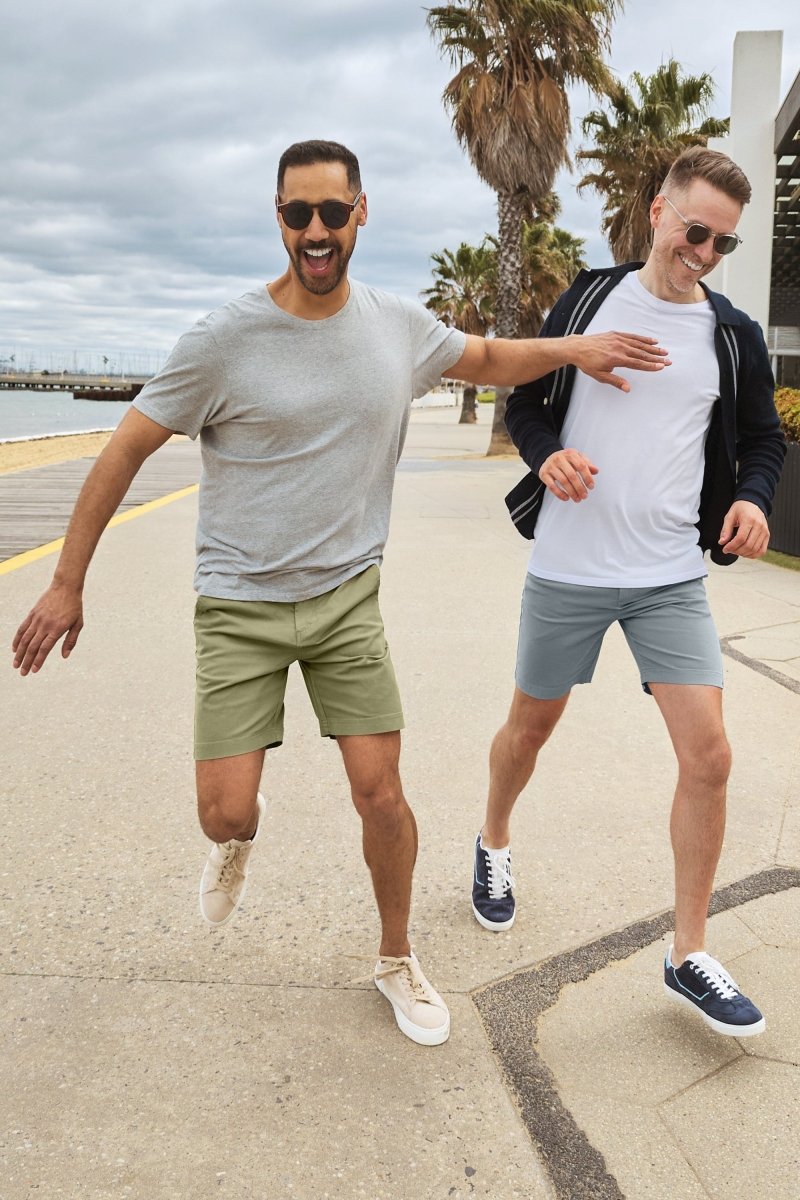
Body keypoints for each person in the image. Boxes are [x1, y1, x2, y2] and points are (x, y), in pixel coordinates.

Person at [12, 139, 668, 1048]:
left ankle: (396, 957)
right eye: (297, 214)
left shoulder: (397, 327)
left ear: (362, 213)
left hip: (346, 601)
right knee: (225, 809)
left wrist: (578, 348)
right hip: (239, 604)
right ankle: (240, 833)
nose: (315, 232)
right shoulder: (222, 339)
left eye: (331, 212)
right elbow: (123, 449)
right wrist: (66, 583)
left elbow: (489, 356)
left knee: (381, 792)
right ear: (277, 220)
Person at [471, 146, 786, 1039]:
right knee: (529, 731)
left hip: (668, 578)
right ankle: (494, 841)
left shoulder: (731, 334)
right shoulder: (586, 299)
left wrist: (754, 500)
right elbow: (524, 401)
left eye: (723, 243)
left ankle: (687, 953)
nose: (704, 253)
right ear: (657, 212)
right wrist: (548, 455)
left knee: (711, 758)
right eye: (695, 231)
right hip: (570, 568)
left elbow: (762, 440)